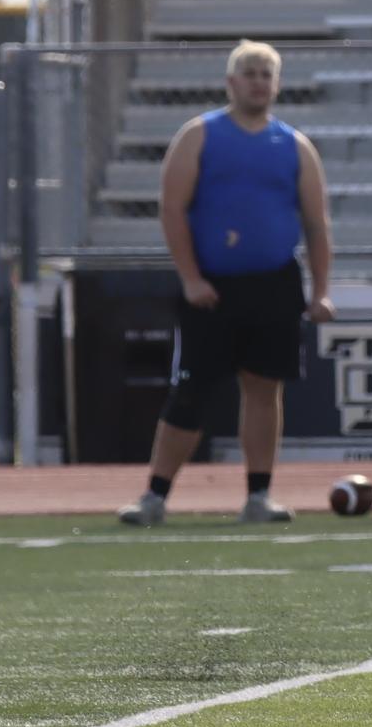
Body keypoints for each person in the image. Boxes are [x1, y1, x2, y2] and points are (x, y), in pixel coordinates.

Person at [119, 40, 335, 528]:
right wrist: (191, 278)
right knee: (190, 390)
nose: (259, 81)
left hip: (275, 285)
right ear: (231, 82)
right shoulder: (200, 135)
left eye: (266, 73)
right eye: (250, 73)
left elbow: (317, 223)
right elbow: (172, 209)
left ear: (276, 84)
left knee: (264, 391)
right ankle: (154, 496)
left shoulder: (295, 146)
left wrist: (321, 290)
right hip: (212, 287)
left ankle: (258, 496)